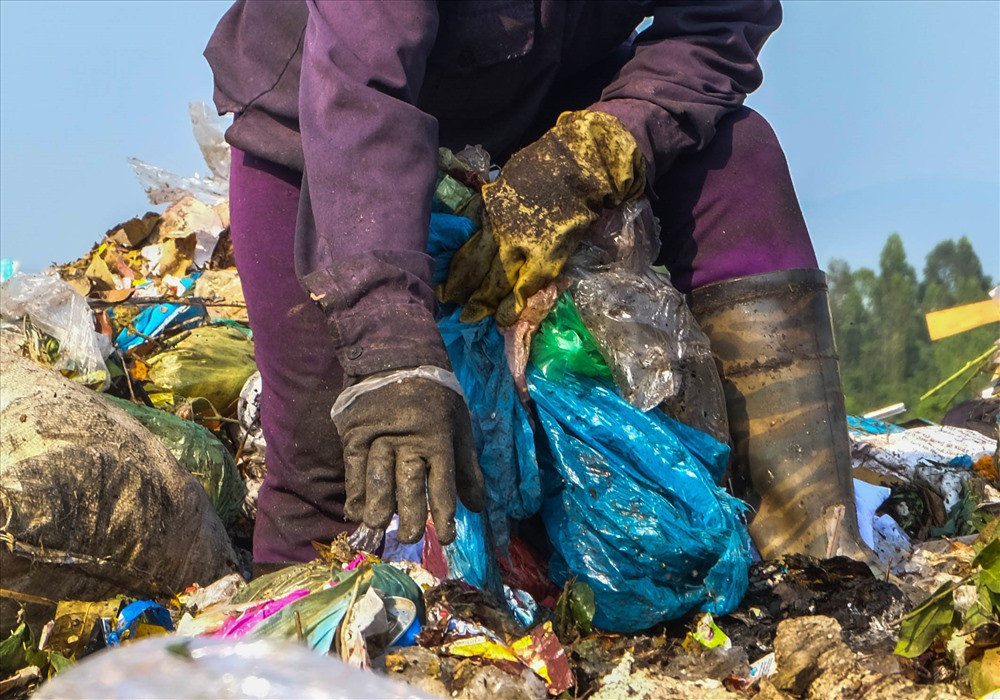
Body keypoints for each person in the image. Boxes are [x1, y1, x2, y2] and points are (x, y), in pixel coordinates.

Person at [205, 0, 870, 569]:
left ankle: (815, 557)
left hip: (552, 102)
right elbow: (361, 94)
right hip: (328, 135)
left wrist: (596, 152)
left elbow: (719, 20)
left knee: (740, 154)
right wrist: (391, 352)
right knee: (342, 473)